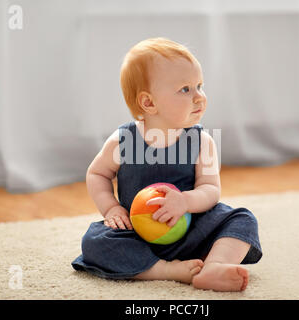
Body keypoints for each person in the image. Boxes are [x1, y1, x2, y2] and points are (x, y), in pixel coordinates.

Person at [71, 38, 262, 291]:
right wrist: (111, 209)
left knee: (242, 219)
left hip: (191, 229)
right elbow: (97, 173)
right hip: (137, 233)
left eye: (200, 86)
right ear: (149, 103)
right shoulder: (123, 140)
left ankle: (214, 266)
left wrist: (184, 201)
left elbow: (210, 190)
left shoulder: (201, 141)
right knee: (94, 241)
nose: (199, 97)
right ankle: (162, 269)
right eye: (185, 89)